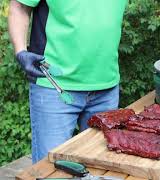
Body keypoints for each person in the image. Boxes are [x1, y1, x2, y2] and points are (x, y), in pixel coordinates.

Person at [8, 0, 127, 163]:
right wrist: (20, 51)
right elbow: (19, 7)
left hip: (107, 87)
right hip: (53, 86)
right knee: (50, 170)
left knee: (100, 169)